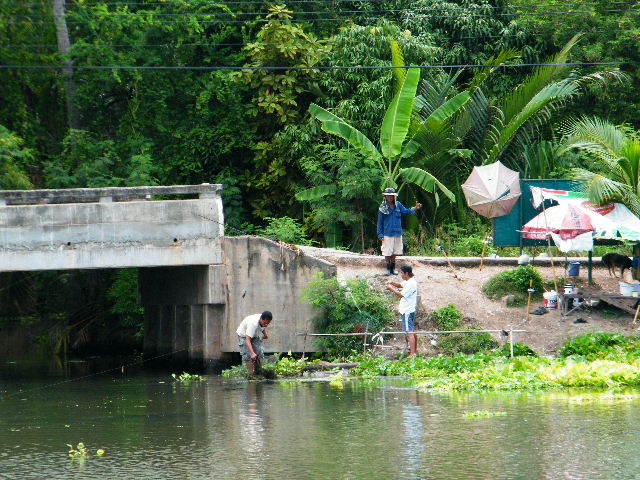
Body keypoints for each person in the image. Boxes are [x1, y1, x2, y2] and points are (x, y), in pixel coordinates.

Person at [377, 187, 422, 275]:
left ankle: (393, 269)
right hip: (387, 233)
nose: (389, 198)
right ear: (385, 196)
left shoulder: (398, 205)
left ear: (394, 197)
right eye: (388, 196)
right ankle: (388, 269)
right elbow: (380, 222)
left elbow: (407, 211)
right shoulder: (382, 208)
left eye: (391, 196)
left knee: (395, 252)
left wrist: (415, 208)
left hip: (397, 233)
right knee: (387, 252)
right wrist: (380, 234)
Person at [386, 265, 418, 357]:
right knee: (411, 330)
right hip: (409, 309)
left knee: (409, 332)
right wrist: (392, 283)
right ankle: (414, 349)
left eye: (401, 273)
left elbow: (401, 294)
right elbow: (400, 285)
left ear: (406, 273)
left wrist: (391, 288)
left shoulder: (411, 283)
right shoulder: (409, 281)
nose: (401, 275)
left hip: (407, 310)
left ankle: (412, 353)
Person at [237, 311, 273, 375]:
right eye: (265, 323)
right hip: (244, 335)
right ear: (261, 319)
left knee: (260, 353)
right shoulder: (253, 324)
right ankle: (252, 375)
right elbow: (248, 340)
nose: (266, 325)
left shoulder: (263, 319)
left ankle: (260, 372)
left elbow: (262, 326)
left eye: (268, 323)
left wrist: (265, 334)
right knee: (249, 356)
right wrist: (252, 353)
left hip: (254, 334)